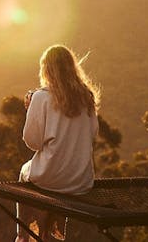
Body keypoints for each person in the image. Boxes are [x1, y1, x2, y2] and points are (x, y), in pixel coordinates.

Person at [16, 44, 100, 242]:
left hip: (49, 178)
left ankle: (23, 236)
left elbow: (32, 142)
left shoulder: (41, 97)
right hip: (81, 181)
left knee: (25, 172)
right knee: (51, 183)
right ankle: (50, 232)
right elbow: (93, 133)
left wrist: (31, 111)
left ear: (46, 69)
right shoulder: (87, 97)